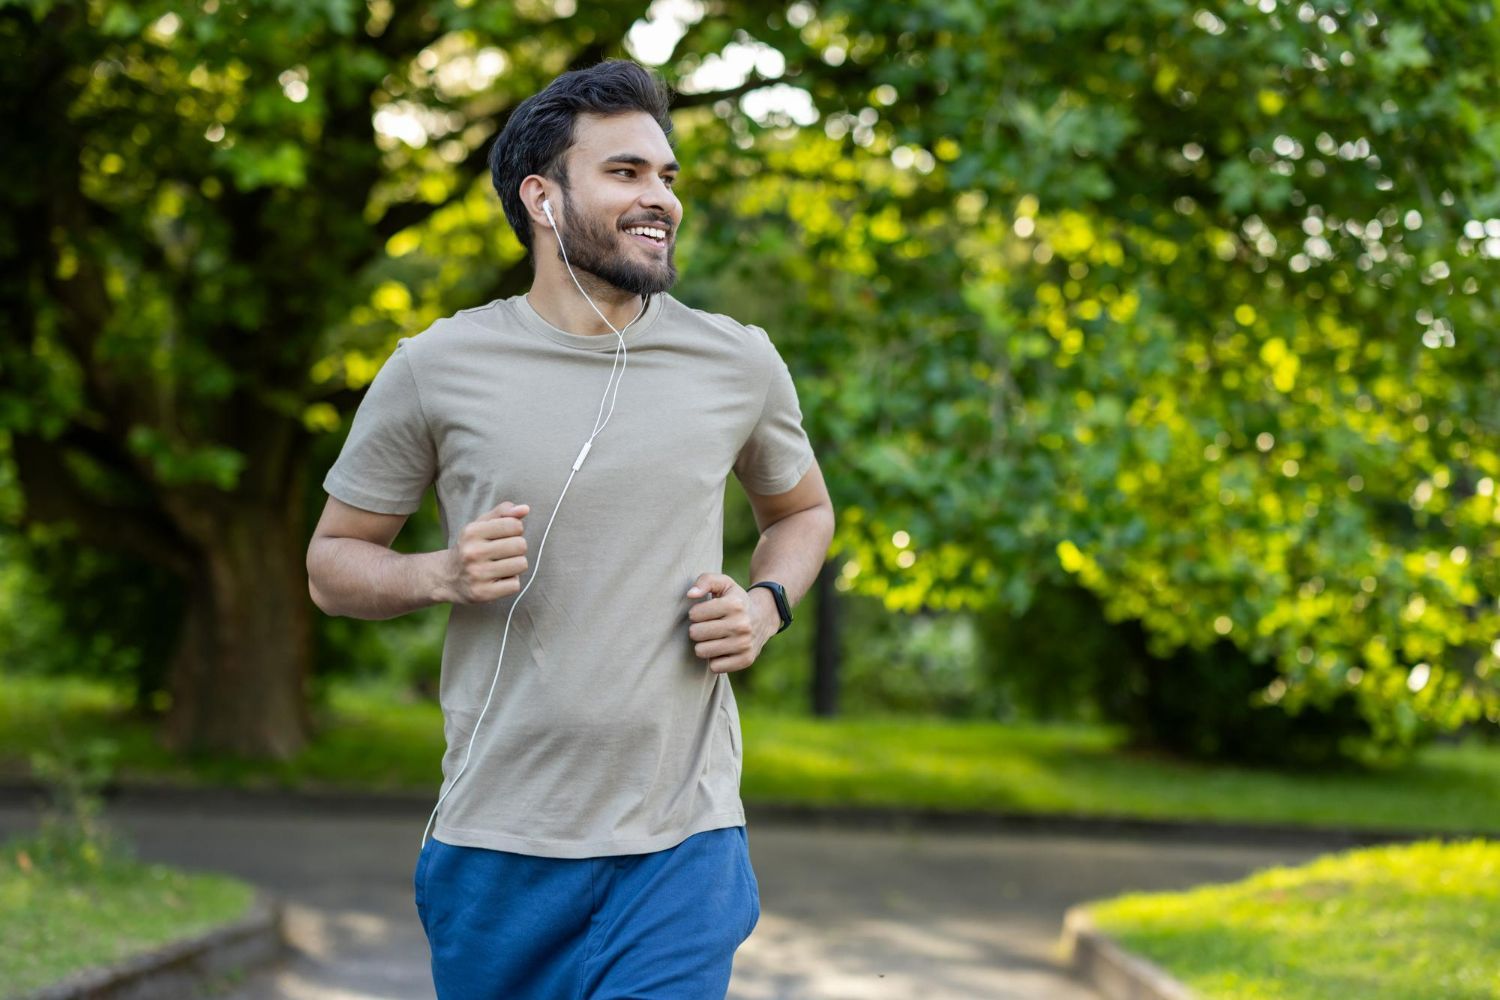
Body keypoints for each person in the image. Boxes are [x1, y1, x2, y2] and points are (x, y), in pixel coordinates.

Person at [305, 58, 835, 1000]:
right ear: (542, 198)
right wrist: (442, 576)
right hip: (496, 845)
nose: (661, 198)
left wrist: (765, 605)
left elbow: (801, 512)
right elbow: (332, 566)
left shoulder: (736, 361)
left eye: (667, 177)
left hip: (682, 839)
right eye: (626, 173)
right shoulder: (437, 366)